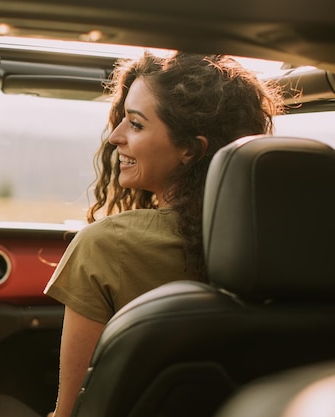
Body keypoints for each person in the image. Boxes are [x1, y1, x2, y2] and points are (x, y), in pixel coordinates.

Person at [42, 51, 284, 417]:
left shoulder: (105, 246)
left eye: (136, 124)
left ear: (190, 149)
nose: (115, 137)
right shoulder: (293, 252)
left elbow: (73, 412)